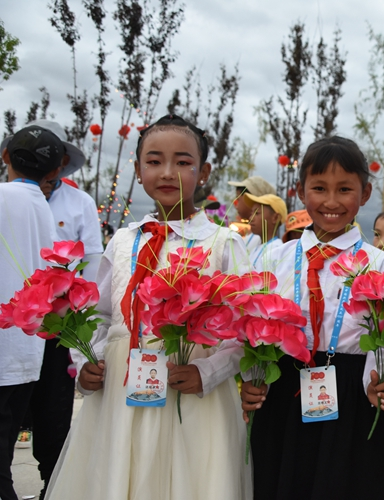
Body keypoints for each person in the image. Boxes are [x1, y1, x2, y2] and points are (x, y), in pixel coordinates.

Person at [45, 115, 250, 500]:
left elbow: (244, 327)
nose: (168, 172)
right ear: (138, 172)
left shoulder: (224, 243)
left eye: (183, 162)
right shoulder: (123, 241)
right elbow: (101, 314)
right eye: (154, 161)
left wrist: (208, 371)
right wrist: (88, 360)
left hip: (192, 394)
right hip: (120, 392)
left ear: (204, 172)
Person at [240, 136, 384, 499]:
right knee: (279, 481)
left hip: (351, 391)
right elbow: (254, 326)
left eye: (344, 189)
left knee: (343, 484)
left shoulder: (379, 262)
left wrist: (376, 383)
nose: (331, 201)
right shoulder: (274, 257)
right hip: (282, 385)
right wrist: (252, 380)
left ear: (365, 193)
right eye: (319, 188)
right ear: (300, 191)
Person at [6, 119, 105, 500]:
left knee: (53, 417)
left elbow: (92, 262)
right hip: (13, 325)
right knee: (10, 413)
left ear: (62, 161)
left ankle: (55, 486)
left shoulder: (80, 203)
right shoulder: (8, 197)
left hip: (59, 329)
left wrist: (81, 319)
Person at [0, 126, 61, 500]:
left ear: (5, 155)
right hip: (27, 347)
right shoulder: (43, 208)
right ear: (54, 172)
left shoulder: (4, 196)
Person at [228, 175, 276, 251]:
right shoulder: (253, 238)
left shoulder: (262, 242)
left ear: (251, 199)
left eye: (238, 199)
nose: (236, 205)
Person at [244, 193, 287, 269]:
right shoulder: (255, 248)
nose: (251, 218)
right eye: (251, 213)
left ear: (275, 218)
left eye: (257, 213)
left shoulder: (277, 250)